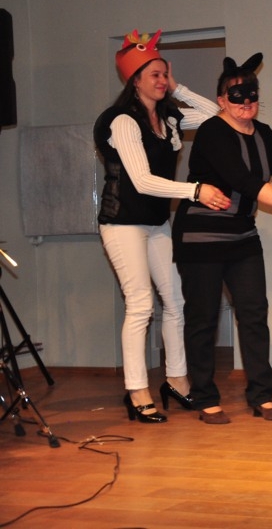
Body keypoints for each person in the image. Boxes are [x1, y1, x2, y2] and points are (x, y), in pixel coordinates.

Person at [173, 53, 272, 425]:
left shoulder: (265, 133)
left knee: (254, 313)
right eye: (237, 96)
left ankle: (262, 396)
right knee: (203, 319)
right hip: (201, 238)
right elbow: (244, 182)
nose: (247, 102)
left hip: (242, 235)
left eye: (252, 95)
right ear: (222, 100)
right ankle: (205, 397)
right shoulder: (212, 131)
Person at [95, 29, 229, 424]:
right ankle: (137, 390)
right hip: (122, 224)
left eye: (164, 73)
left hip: (155, 222)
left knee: (176, 301)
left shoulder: (169, 117)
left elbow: (215, 116)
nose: (161, 80)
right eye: (154, 74)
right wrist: (195, 190)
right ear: (134, 80)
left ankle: (177, 380)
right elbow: (142, 181)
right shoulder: (122, 120)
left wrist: (178, 87)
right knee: (140, 304)